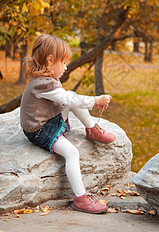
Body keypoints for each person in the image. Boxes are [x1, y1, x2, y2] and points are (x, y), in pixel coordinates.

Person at [20, 34, 115, 214]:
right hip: (39, 130)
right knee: (72, 152)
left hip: (48, 119)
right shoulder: (42, 84)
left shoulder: (46, 79)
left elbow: (67, 98)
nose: (66, 67)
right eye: (63, 63)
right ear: (50, 61)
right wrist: (95, 100)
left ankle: (92, 129)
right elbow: (66, 98)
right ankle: (81, 198)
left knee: (72, 98)